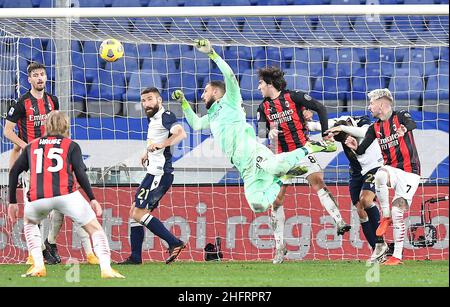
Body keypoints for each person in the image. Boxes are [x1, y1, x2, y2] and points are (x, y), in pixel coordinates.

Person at [172, 39, 337, 219]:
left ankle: (310, 147)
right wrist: (183, 103)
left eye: (205, 91)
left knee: (275, 165)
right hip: (242, 165)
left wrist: (212, 53)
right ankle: (278, 180)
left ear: (216, 92)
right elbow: (195, 124)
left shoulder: (231, 101)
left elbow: (230, 76)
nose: (202, 95)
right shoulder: (211, 117)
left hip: (251, 152)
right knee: (257, 205)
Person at [7, 111, 124, 278]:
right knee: (95, 229)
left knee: (30, 224)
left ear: (46, 126)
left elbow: (13, 173)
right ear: (66, 126)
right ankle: (106, 268)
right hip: (66, 196)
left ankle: (39, 266)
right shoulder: (71, 145)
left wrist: (12, 201)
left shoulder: (31, 145)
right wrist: (92, 198)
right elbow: (80, 173)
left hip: (38, 197)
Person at [4, 62, 98, 265]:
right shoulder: (20, 103)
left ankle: (51, 243)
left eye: (42, 75)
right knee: (35, 209)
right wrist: (28, 147)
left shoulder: (52, 101)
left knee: (61, 208)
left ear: (46, 78)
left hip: (54, 161)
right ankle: (34, 253)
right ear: (29, 79)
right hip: (33, 164)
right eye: (35, 75)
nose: (39, 78)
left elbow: (58, 129)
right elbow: (7, 131)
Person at [256, 67, 351, 264]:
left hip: (302, 152)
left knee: (318, 181)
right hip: (281, 158)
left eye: (261, 84)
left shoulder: (295, 97)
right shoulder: (262, 108)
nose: (258, 87)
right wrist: (268, 134)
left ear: (269, 84)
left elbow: (320, 108)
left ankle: (339, 221)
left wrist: (325, 132)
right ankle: (280, 247)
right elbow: (260, 132)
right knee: (276, 201)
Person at [345, 88, 421, 266]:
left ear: (381, 104)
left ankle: (397, 256)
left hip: (410, 173)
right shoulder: (375, 128)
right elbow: (362, 150)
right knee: (380, 174)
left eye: (371, 103)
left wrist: (404, 129)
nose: (369, 107)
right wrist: (354, 146)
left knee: (398, 211)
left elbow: (413, 124)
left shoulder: (400, 116)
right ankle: (384, 216)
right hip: (392, 171)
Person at [119, 87, 187, 265]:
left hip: (160, 173)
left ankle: (175, 242)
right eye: (143, 100)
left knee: (139, 212)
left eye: (150, 99)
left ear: (159, 100)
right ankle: (135, 257)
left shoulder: (166, 115)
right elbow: (155, 139)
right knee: (134, 211)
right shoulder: (152, 119)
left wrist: (160, 145)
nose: (146, 104)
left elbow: (181, 133)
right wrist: (147, 153)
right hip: (153, 172)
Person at [309, 115, 385, 262]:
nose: (347, 142)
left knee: (366, 200)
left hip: (374, 166)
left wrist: (342, 129)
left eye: (347, 138)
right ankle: (377, 250)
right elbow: (317, 126)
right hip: (356, 171)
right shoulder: (337, 123)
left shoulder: (363, 122)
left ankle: (381, 244)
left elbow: (366, 132)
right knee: (360, 209)